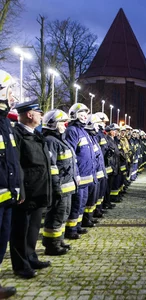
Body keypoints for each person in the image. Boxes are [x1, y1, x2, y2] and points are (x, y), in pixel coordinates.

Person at [11, 100, 52, 279]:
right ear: (29, 114)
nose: (41, 116)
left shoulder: (36, 134)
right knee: (20, 230)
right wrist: (20, 188)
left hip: (38, 189)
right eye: (39, 113)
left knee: (33, 228)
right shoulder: (17, 134)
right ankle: (21, 265)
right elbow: (16, 164)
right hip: (26, 191)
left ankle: (31, 256)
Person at [41, 109, 77, 255]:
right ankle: (51, 245)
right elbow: (52, 166)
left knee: (63, 214)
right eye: (62, 122)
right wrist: (56, 187)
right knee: (56, 215)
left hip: (67, 186)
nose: (65, 125)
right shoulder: (50, 141)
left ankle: (59, 239)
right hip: (60, 186)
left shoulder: (60, 139)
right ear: (53, 124)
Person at [0, 70, 19, 297]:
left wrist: (17, 189)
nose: (12, 96)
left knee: (1, 242)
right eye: (8, 90)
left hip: (6, 196)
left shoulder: (4, 124)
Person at [65, 103, 96, 239]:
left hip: (87, 176)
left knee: (82, 203)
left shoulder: (83, 131)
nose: (84, 116)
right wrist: (75, 173)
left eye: (85, 114)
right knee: (76, 204)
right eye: (81, 113)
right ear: (74, 115)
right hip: (79, 176)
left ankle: (77, 226)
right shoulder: (72, 130)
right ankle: (71, 230)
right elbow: (71, 155)